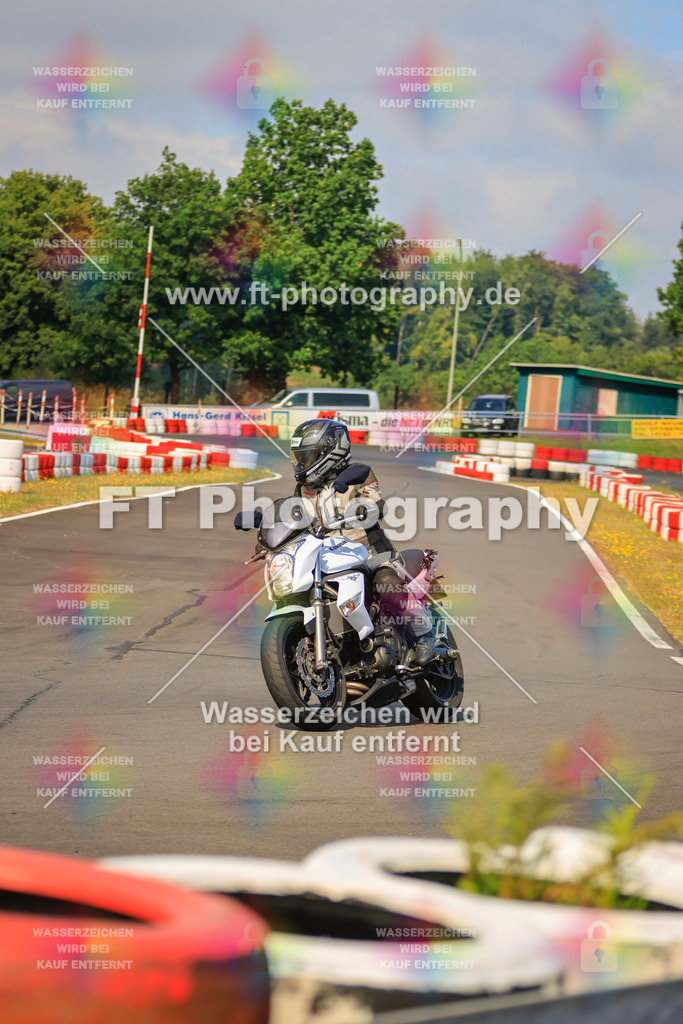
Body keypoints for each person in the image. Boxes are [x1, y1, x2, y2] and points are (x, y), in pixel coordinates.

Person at [284, 418, 438, 666]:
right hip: (329, 559)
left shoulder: (358, 473)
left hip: (371, 552)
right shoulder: (302, 489)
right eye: (298, 458)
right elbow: (295, 519)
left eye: (307, 457)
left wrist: (366, 508)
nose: (302, 464)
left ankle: (424, 634)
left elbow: (374, 500)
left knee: (386, 586)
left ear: (330, 452)